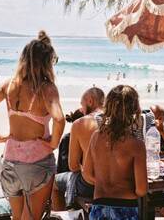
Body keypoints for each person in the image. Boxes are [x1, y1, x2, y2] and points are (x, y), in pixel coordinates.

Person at [0, 31, 65, 220]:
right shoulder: (47, 89)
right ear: (47, 62)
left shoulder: (10, 85)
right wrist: (53, 144)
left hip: (9, 162)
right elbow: (60, 119)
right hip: (37, 164)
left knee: (17, 217)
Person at [84, 85, 147, 220]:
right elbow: (141, 189)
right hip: (126, 208)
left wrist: (104, 183)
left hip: (99, 206)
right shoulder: (136, 145)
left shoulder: (96, 136)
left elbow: (87, 174)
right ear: (135, 110)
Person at [52, 87, 105, 211]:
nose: (82, 108)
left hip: (91, 185)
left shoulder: (80, 124)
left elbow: (73, 166)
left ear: (90, 101)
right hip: (117, 183)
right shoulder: (118, 121)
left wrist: (85, 168)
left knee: (53, 182)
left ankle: (63, 215)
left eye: (82, 104)